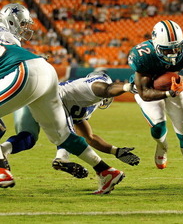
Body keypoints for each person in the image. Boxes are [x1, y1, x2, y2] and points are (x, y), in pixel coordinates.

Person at [0, 3, 124, 194]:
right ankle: (106, 170)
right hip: (44, 70)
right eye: (23, 24)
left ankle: (2, 170)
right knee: (62, 135)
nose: (26, 29)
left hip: (24, 71)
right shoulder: (8, 37)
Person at [0, 71, 140, 179]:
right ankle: (62, 158)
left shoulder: (83, 101)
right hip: (49, 100)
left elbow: (88, 137)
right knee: (65, 131)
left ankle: (3, 150)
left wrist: (115, 151)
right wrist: (128, 86)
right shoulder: (94, 85)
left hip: (31, 99)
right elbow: (105, 88)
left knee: (28, 137)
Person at [128, 20, 183, 190]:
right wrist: (168, 93)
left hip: (172, 88)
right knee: (158, 127)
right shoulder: (142, 55)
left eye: (176, 48)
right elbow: (145, 93)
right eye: (167, 50)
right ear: (156, 45)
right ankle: (162, 146)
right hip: (148, 89)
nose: (173, 53)